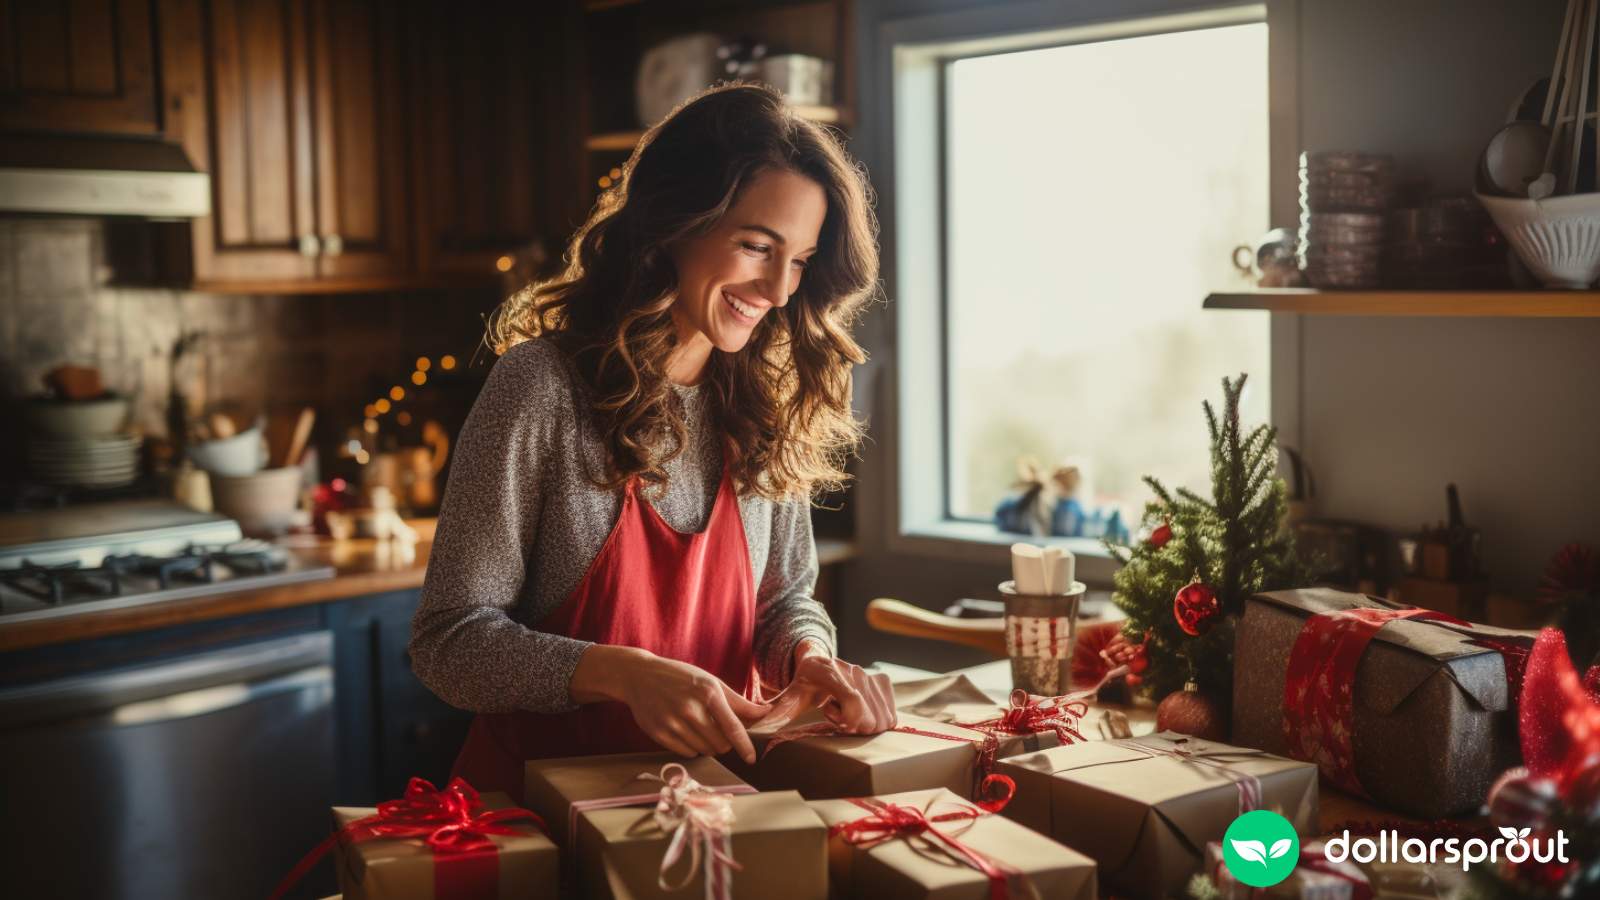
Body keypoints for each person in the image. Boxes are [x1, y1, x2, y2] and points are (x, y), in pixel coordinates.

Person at [409, 83, 895, 800]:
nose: (780, 289)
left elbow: (784, 597)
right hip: (541, 824)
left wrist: (808, 653)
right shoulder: (540, 388)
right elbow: (448, 643)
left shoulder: (765, 400)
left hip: (705, 818)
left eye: (799, 260)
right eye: (757, 246)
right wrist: (622, 673)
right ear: (674, 223)